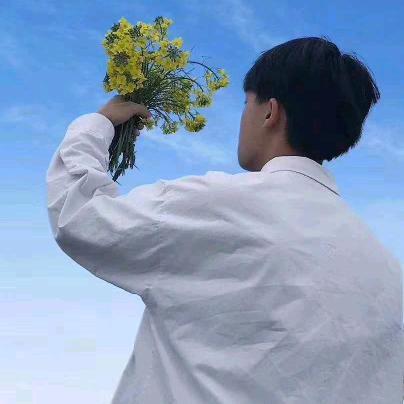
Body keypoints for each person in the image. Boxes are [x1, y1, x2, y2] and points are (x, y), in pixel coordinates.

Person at [46, 36, 403, 403]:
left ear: (270, 112)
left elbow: (81, 215)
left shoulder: (221, 206)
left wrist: (100, 125)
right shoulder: (387, 270)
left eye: (247, 103)